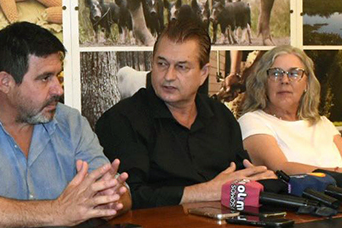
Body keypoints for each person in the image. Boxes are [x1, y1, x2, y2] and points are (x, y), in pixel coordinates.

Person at [0, 22, 131, 228]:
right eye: (45, 78)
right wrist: (57, 211)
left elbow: (119, 193)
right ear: (6, 82)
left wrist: (109, 200)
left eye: (58, 76)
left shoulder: (71, 122)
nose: (58, 90)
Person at [95, 17, 272, 209]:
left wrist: (261, 180)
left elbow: (240, 177)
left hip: (226, 223)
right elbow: (128, 196)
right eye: (162, 64)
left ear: (203, 73)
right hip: (157, 226)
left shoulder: (221, 117)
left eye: (181, 67)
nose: (168, 76)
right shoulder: (122, 120)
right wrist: (205, 192)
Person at [238, 46, 342, 187]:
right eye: (276, 73)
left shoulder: (321, 122)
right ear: (264, 82)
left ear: (306, 84)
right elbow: (281, 167)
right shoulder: (252, 121)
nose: (284, 80)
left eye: (294, 73)